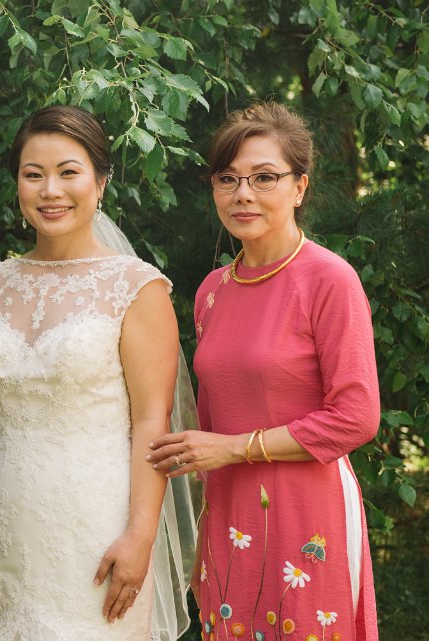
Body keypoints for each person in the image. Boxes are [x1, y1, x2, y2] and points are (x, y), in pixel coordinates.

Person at [147, 102, 381, 641]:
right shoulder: (212, 291)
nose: (243, 194)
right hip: (229, 513)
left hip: (306, 512)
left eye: (264, 177)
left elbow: (357, 418)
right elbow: (209, 422)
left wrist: (233, 449)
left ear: (300, 187)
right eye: (227, 179)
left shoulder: (329, 280)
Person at [0, 104, 196, 641]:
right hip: (5, 527)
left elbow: (151, 421)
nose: (50, 190)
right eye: (33, 174)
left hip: (98, 528)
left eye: (68, 172)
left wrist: (140, 536)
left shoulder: (136, 288)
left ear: (100, 182)